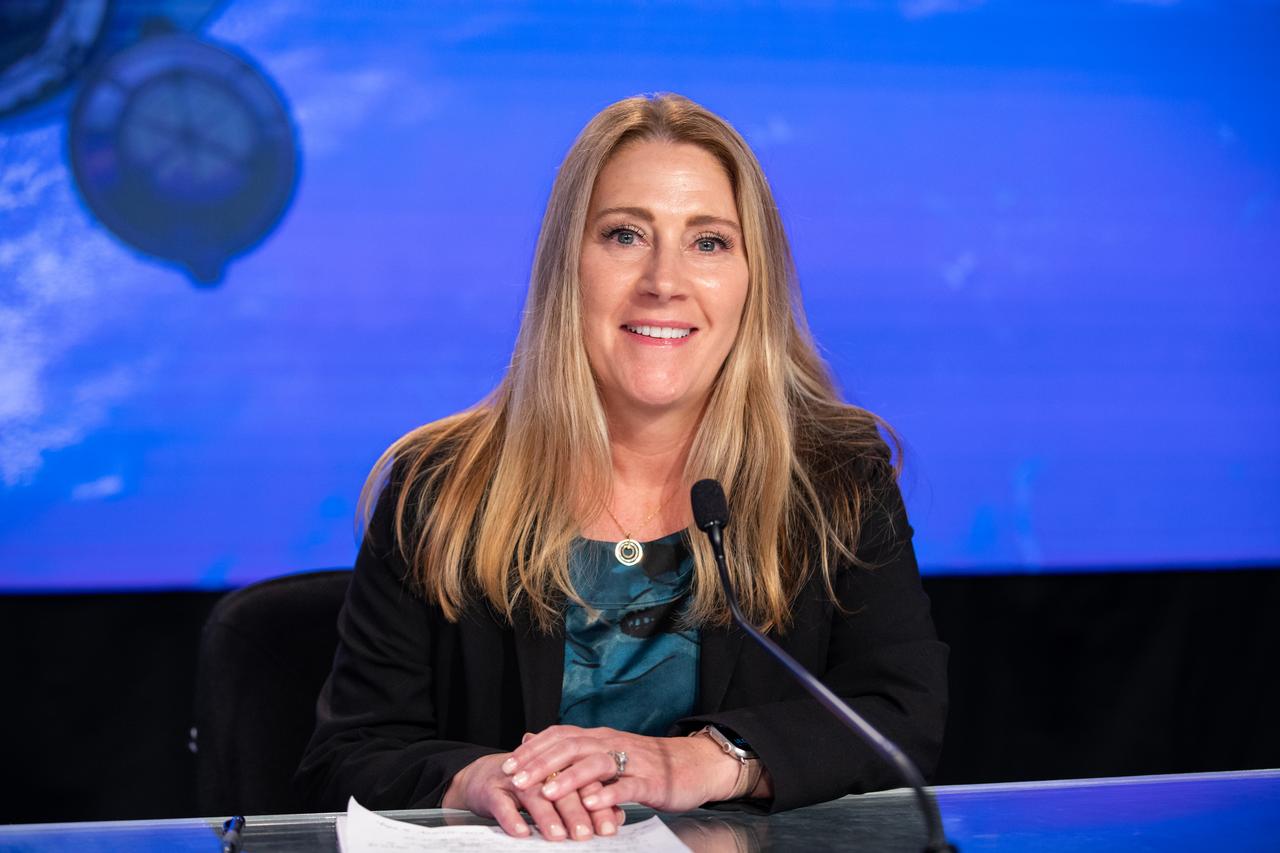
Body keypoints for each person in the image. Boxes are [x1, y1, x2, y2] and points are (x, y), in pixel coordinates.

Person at [295, 92, 947, 841]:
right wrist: (469, 780)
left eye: (709, 242)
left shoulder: (834, 478)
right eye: (625, 234)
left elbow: (902, 718)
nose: (664, 280)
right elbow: (345, 757)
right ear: (566, 265)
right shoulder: (439, 488)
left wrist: (710, 759)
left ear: (752, 280)